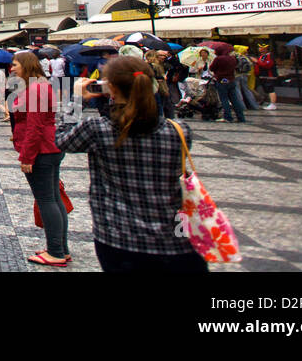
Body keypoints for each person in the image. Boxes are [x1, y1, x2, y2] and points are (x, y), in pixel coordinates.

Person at [58, 56, 208, 272]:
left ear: (111, 88)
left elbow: (61, 139)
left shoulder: (98, 129)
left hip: (120, 239)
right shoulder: (179, 130)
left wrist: (76, 100)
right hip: (175, 240)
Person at [9, 51, 69, 267]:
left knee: (46, 200)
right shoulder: (40, 85)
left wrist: (27, 156)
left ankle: (55, 252)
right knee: (54, 198)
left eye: (15, 64)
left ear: (26, 65)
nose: (12, 68)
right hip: (50, 146)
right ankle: (61, 247)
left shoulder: (34, 89)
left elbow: (35, 125)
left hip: (41, 150)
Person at [210, 47, 246, 124]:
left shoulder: (218, 59)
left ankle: (228, 117)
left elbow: (212, 68)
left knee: (224, 99)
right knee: (235, 99)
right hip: (231, 80)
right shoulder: (232, 58)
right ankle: (241, 117)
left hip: (222, 80)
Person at [255, 44, 278, 110]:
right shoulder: (262, 56)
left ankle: (273, 104)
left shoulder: (269, 56)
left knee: (271, 90)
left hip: (269, 76)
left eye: (260, 47)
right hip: (263, 76)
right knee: (266, 90)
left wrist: (257, 61)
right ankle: (266, 102)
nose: (259, 48)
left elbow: (268, 65)